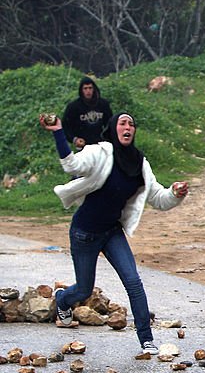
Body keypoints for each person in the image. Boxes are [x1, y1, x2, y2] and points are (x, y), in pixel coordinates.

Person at [39, 112, 189, 355]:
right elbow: (71, 165)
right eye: (123, 123)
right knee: (84, 290)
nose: (128, 127)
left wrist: (175, 193)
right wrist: (58, 131)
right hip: (84, 233)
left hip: (112, 232)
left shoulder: (140, 163)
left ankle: (146, 339)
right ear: (113, 128)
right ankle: (63, 300)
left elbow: (159, 199)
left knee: (133, 281)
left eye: (132, 123)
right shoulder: (99, 152)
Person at [62, 76, 113, 150]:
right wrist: (74, 139)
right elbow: (66, 126)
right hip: (83, 145)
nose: (88, 91)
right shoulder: (73, 107)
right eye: (85, 88)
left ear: (94, 89)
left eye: (90, 88)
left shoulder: (103, 104)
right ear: (81, 90)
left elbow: (110, 123)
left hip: (100, 144)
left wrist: (108, 138)